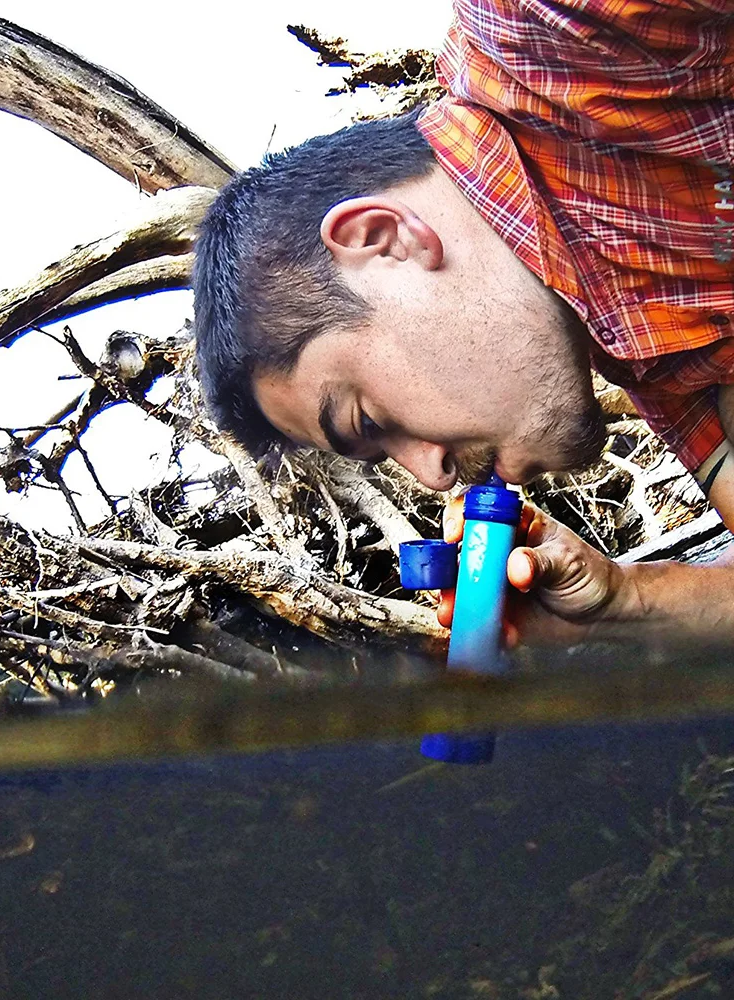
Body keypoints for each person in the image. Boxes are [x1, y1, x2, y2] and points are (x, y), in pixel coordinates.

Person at [192, 0, 734, 643]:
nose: (432, 474)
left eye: (368, 421)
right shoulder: (666, 366)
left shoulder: (552, 30)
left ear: (384, 240)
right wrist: (625, 601)